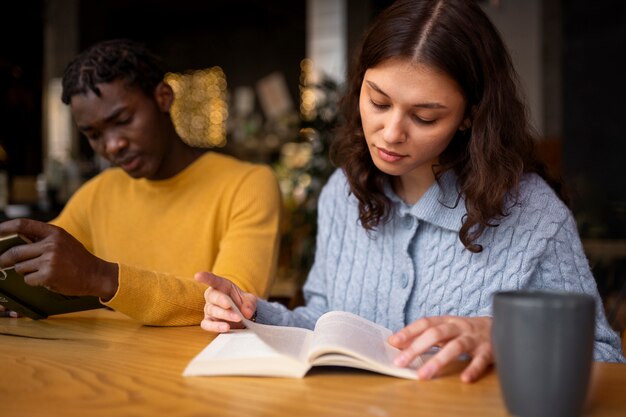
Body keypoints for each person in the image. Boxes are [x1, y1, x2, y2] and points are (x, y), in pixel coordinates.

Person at [196, 0, 625, 382]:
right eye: (378, 102)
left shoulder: (533, 216)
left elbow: (606, 359)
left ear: (468, 117)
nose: (391, 132)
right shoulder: (343, 193)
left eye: (424, 117)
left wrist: (509, 337)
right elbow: (326, 322)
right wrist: (254, 315)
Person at [0, 39, 282, 325]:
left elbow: (234, 305)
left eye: (123, 119)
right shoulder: (98, 193)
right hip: (108, 366)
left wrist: (101, 276)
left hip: (200, 366)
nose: (112, 146)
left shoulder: (248, 185)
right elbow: (39, 267)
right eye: (94, 135)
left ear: (163, 97)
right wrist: (15, 292)